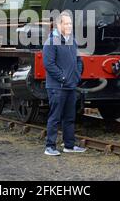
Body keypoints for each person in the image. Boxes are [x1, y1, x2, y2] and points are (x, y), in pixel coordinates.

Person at [42, 11, 86, 156]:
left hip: (71, 85)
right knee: (55, 117)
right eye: (66, 23)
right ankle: (50, 147)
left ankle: (69, 145)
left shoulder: (71, 40)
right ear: (59, 24)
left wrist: (76, 76)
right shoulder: (51, 41)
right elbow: (48, 64)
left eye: (70, 23)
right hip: (57, 87)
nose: (69, 26)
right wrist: (63, 78)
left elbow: (78, 60)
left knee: (70, 117)